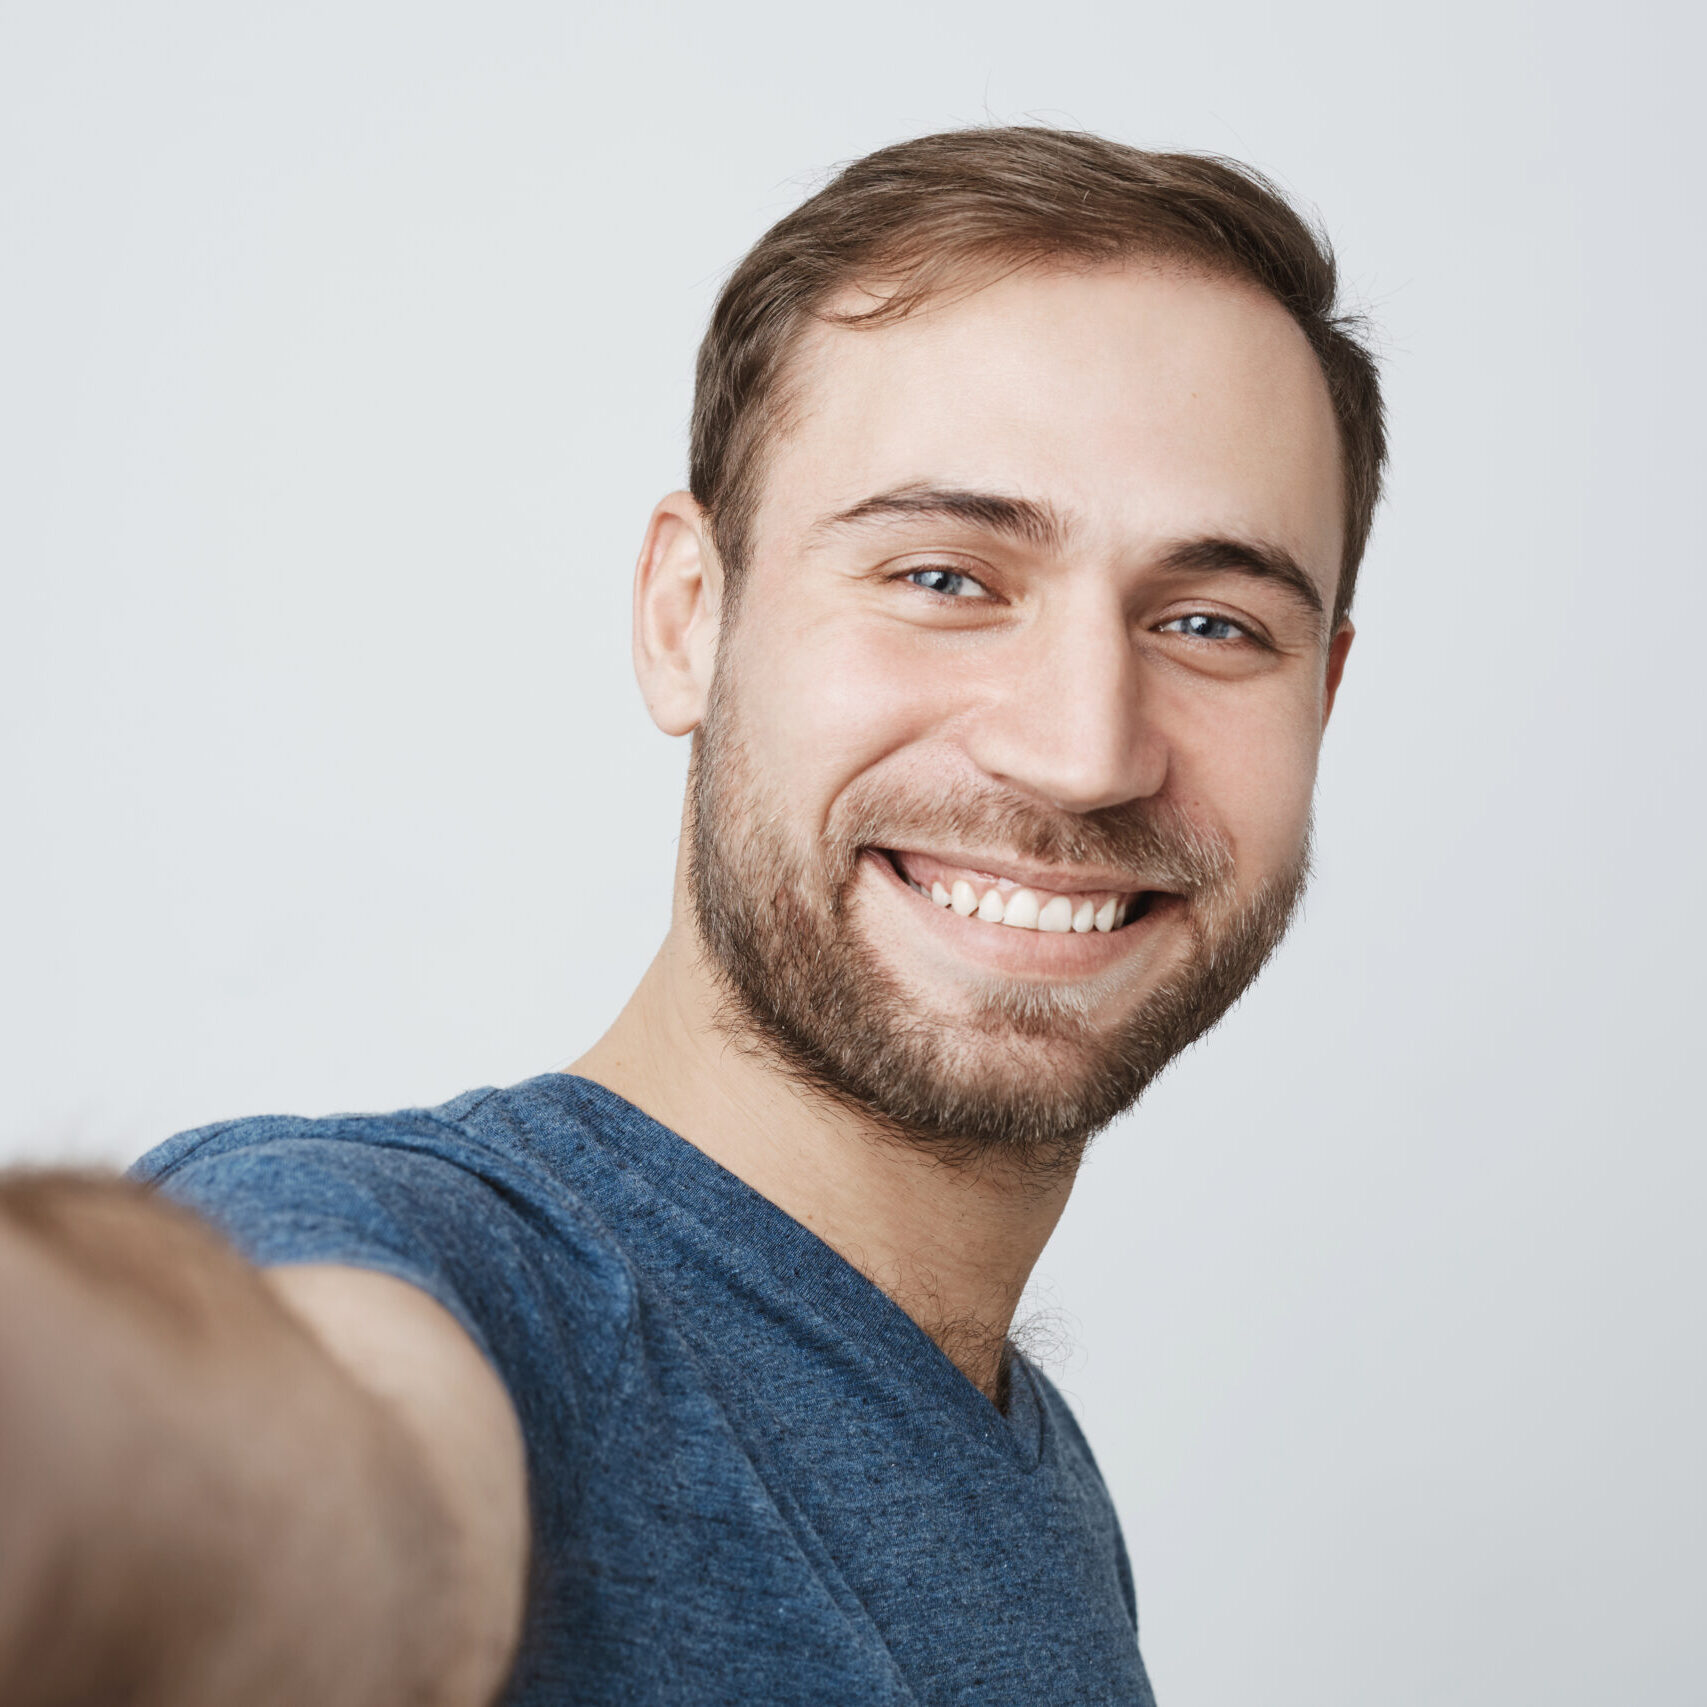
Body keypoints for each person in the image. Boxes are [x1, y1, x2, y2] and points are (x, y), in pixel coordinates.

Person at [0, 125, 1384, 1706]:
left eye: (1211, 622)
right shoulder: (406, 1263)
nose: (1083, 750)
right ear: (687, 617)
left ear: (1325, 695)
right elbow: (291, 1470)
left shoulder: (1039, 1489)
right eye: (943, 577)